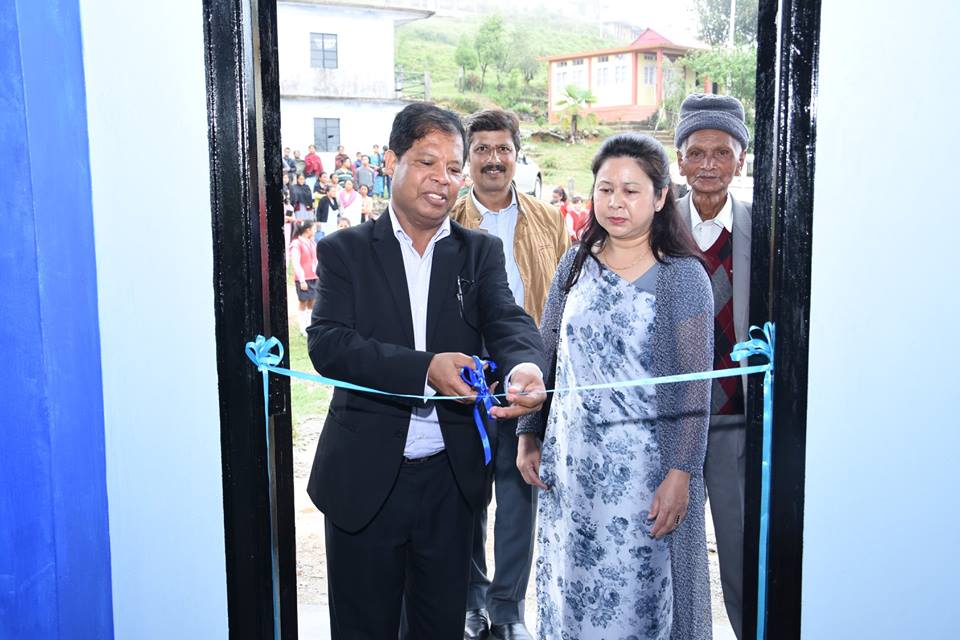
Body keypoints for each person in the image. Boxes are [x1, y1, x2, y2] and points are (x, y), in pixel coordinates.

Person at [306, 102, 548, 639]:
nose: (444, 180)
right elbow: (329, 345)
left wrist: (525, 367)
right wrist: (425, 370)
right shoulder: (345, 251)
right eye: (427, 162)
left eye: (454, 168)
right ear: (392, 161)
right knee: (364, 627)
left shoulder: (478, 253)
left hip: (450, 481)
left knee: (440, 627)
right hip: (365, 480)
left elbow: (507, 320)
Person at [517, 133, 714, 639]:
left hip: (643, 479)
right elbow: (546, 354)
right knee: (569, 591)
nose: (615, 202)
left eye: (631, 190)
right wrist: (528, 432)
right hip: (571, 468)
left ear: (661, 195)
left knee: (638, 603)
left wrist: (681, 474)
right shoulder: (576, 262)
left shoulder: (682, 277)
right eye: (605, 189)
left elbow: (695, 390)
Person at [450, 109, 569, 640]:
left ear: (516, 156)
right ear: (468, 157)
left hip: (529, 378)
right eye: (482, 150)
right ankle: (473, 600)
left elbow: (564, 294)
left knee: (521, 490)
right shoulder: (446, 217)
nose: (494, 160)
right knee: (468, 494)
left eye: (504, 150)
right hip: (465, 378)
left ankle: (507, 609)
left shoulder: (549, 219)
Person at [674, 93, 753, 640]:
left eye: (721, 153)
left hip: (736, 424)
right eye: (696, 152)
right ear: (678, 160)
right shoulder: (652, 227)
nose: (708, 165)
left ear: (741, 160)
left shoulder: (765, 231)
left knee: (743, 557)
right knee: (669, 561)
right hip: (669, 426)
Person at [289, 220, 318, 337]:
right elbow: (296, 262)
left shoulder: (312, 242)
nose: (315, 231)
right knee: (303, 302)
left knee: (312, 301)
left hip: (313, 276)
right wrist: (301, 279)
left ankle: (310, 325)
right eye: (314, 228)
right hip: (303, 278)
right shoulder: (297, 243)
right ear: (308, 230)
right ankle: (303, 328)